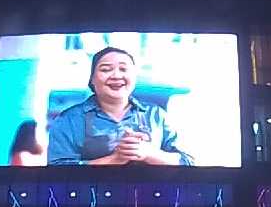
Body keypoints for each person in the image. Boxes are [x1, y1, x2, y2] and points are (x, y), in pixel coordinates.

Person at [46, 46, 194, 166]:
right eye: (105, 69)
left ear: (134, 78)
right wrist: (115, 159)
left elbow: (187, 162)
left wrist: (149, 153)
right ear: (92, 79)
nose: (116, 76)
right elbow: (57, 170)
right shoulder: (69, 119)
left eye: (123, 69)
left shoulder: (156, 115)